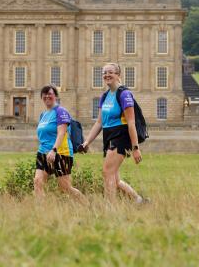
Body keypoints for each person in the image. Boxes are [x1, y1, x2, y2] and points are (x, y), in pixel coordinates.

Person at [81, 63, 147, 203]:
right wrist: (87, 142)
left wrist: (135, 148)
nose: (106, 75)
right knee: (115, 179)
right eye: (104, 72)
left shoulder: (124, 94)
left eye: (110, 72)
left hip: (121, 136)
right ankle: (139, 201)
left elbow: (131, 123)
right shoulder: (105, 96)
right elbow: (99, 123)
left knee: (107, 172)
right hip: (108, 135)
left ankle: (110, 208)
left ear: (118, 75)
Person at [34, 84, 84, 200]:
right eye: (44, 94)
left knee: (65, 187)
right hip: (43, 153)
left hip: (61, 152)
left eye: (50, 94)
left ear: (55, 96)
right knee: (38, 181)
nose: (47, 96)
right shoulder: (43, 114)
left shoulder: (61, 111)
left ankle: (87, 206)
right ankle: (41, 211)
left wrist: (54, 150)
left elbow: (61, 133)